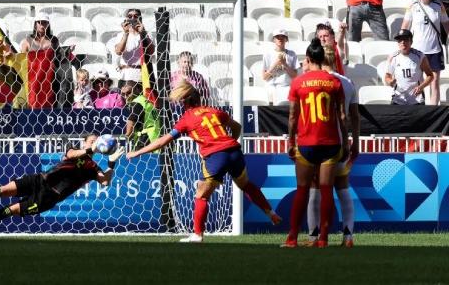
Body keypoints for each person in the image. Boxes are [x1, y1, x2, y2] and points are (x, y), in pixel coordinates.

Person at [127, 80, 282, 243]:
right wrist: (228, 143)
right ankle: (271, 213)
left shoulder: (186, 119)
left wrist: (137, 152)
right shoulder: (215, 111)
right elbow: (237, 127)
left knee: (201, 195)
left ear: (184, 102)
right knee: (245, 185)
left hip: (216, 156)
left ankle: (197, 235)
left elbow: (162, 142)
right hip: (234, 152)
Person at [0, 134, 125, 232]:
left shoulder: (92, 168)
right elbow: (71, 155)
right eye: (92, 141)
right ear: (85, 142)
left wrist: (111, 162)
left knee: (12, 210)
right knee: (4, 190)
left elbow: (105, 182)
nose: (95, 143)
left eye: (96, 142)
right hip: (39, 179)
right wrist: (89, 149)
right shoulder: (74, 150)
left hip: (48, 197)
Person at [282, 38, 348, 248]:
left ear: (309, 60)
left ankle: (292, 237)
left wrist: (291, 141)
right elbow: (342, 116)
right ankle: (323, 238)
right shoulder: (334, 82)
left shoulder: (298, 83)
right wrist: (346, 142)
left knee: (302, 189)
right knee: (327, 189)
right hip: (330, 143)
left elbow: (293, 116)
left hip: (307, 143)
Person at [303, 45, 360, 248]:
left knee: (315, 189)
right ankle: (348, 236)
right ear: (335, 59)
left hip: (319, 141)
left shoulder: (310, 81)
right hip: (341, 143)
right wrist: (355, 142)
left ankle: (313, 235)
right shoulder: (347, 83)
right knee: (342, 187)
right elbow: (354, 116)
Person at [401, 0, 449, 105]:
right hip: (417, 51)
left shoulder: (439, 6)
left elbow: (446, 24)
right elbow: (405, 26)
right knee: (416, 81)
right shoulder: (412, 6)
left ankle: (433, 111)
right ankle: (418, 108)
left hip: (434, 50)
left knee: (434, 81)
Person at [385, 29, 434, 105]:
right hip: (398, 99)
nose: (403, 42)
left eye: (405, 40)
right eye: (400, 40)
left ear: (411, 41)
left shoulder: (420, 56)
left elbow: (430, 76)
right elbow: (387, 76)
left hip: (416, 99)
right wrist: (390, 82)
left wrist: (421, 87)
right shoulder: (393, 57)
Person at [114, 8, 155, 87]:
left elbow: (151, 51)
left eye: (135, 16)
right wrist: (126, 33)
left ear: (140, 18)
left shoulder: (147, 34)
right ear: (126, 19)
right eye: (130, 16)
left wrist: (143, 33)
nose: (132, 18)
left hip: (142, 75)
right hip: (126, 75)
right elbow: (118, 51)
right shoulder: (120, 35)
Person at [261, 29, 299, 103]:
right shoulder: (267, 54)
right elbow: (264, 77)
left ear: (286, 39)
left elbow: (295, 76)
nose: (280, 39)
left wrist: (285, 64)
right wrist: (275, 64)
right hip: (272, 86)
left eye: (283, 37)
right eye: (277, 37)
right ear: (274, 40)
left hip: (287, 86)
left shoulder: (292, 54)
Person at [122, 80, 160, 150]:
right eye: (123, 94)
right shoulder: (144, 100)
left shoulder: (136, 103)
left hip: (146, 139)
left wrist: (122, 140)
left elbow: (130, 129)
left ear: (137, 90)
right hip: (155, 136)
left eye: (128, 93)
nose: (125, 96)